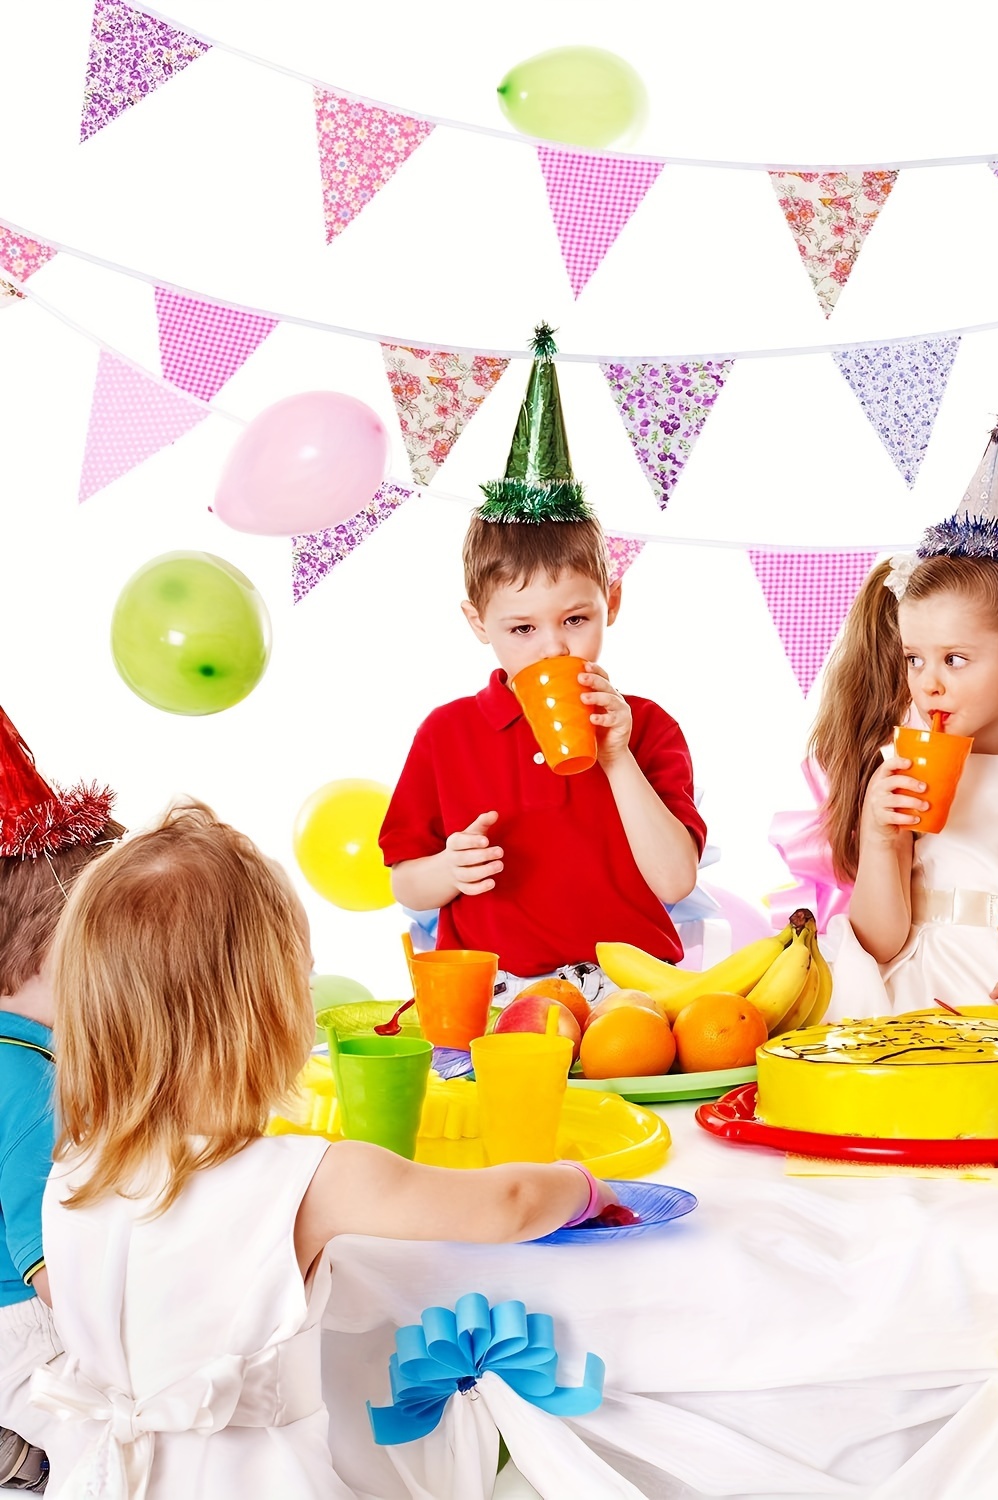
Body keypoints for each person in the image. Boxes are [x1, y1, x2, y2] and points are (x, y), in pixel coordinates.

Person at [34, 802, 615, 1497]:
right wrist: (582, 1185)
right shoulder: (310, 1178)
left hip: (99, 1477)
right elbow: (510, 1205)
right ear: (265, 1014)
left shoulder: (73, 1167)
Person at [379, 325, 705, 985]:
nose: (554, 647)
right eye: (522, 629)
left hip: (633, 989)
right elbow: (407, 884)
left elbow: (674, 880)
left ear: (612, 603)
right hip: (500, 994)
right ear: (479, 624)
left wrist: (616, 759)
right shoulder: (448, 735)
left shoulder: (649, 728)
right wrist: (448, 870)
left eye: (576, 619)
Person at [812, 419, 998, 1016]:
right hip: (921, 1006)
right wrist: (881, 837)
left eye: (955, 659)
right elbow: (880, 940)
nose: (929, 682)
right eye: (914, 659)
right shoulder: (904, 772)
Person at [0, 704, 120, 1493]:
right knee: (112, 1435)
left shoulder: (27, 1048)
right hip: (24, 1320)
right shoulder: (28, 1073)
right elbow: (33, 1235)